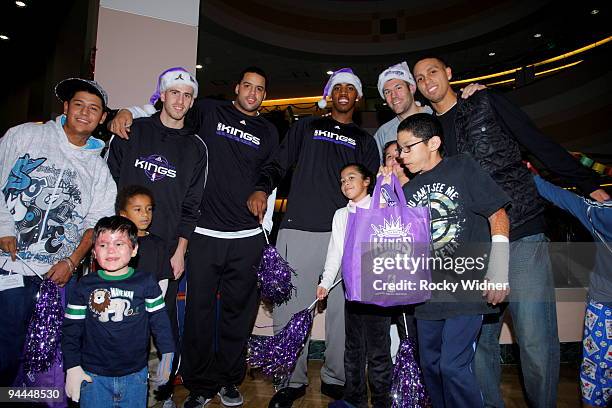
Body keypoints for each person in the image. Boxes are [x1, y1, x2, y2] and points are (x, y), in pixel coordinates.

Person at [412, 56, 610, 407]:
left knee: (535, 341)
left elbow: (536, 142)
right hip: (473, 249)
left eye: (433, 72)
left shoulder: (485, 101)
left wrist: (588, 184)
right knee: (480, 347)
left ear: (449, 73)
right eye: (420, 77)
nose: (428, 80)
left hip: (520, 231)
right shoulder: (432, 135)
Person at [109, 67, 279, 408]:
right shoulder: (210, 111)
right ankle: (200, 383)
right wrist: (126, 112)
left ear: (264, 95)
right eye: (247, 85)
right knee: (199, 313)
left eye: (260, 89)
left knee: (239, 314)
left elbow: (273, 168)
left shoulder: (269, 130)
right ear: (237, 87)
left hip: (247, 235)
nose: (253, 92)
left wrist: (262, 188)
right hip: (204, 232)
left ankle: (230, 380)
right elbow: (171, 107)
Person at [247, 68, 380, 408]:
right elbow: (278, 163)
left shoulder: (365, 140)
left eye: (352, 88)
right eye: (339, 87)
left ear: (358, 97)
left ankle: (336, 378)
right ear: (329, 94)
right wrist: (262, 188)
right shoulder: (305, 126)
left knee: (342, 313)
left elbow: (373, 192)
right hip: (298, 228)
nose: (345, 92)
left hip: (347, 234)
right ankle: (290, 380)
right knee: (289, 309)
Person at [0, 78, 116, 386]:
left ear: (102, 118)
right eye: (78, 104)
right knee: (5, 349)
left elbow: (96, 224)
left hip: (54, 277)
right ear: (65, 107)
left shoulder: (99, 169)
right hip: (7, 266)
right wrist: (3, 226)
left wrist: (71, 262)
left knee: (40, 357)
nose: (84, 113)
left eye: (94, 109)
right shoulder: (25, 136)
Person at [106, 67, 208, 407]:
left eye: (187, 95)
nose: (180, 100)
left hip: (165, 251)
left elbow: (192, 206)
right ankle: (118, 390)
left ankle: (162, 391)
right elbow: (108, 185)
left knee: (163, 327)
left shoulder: (196, 147)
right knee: (117, 320)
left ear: (192, 102)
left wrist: (180, 251)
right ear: (162, 95)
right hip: (120, 249)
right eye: (174, 92)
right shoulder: (133, 130)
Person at [399, 113, 510, 407]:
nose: (401, 156)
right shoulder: (408, 191)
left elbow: (497, 214)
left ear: (433, 142)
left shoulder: (462, 167)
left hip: (466, 287)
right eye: (399, 149)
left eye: (408, 147)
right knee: (431, 368)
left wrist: (499, 269)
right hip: (426, 294)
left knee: (453, 366)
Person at [62, 216, 175, 407]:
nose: (111, 250)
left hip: (135, 375)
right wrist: (72, 366)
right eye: (103, 245)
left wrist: (168, 355)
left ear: (134, 249)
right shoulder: (84, 285)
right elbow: (71, 329)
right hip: (93, 375)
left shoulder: (146, 282)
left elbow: (160, 322)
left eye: (119, 243)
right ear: (94, 251)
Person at [317, 163, 394, 408]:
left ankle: (382, 401)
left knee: (379, 351)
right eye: (342, 180)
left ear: (367, 181)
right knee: (353, 350)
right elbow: (335, 251)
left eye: (351, 177)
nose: (346, 183)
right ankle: (355, 399)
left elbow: (395, 212)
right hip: (352, 291)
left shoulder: (378, 204)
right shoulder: (341, 214)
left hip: (378, 290)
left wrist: (388, 184)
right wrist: (326, 282)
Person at [532, 175, 611, 408]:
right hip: (604, 306)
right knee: (595, 379)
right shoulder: (603, 214)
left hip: (603, 306)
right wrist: (524, 172)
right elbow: (561, 197)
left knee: (595, 378)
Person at [373, 61, 483, 161]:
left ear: (411, 88)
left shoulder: (437, 116)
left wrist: (475, 95)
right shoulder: (383, 134)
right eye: (387, 92)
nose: (393, 96)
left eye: (398, 88)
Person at [115, 185, 168, 295]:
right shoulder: (114, 244)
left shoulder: (158, 244)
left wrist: (155, 303)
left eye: (149, 209)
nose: (145, 214)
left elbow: (163, 279)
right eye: (138, 209)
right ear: (123, 215)